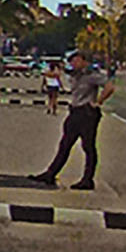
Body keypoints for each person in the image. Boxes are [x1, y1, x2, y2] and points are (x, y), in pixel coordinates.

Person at [32, 50, 112, 190]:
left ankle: (88, 180)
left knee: (88, 147)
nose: (73, 64)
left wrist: (98, 102)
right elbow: (60, 74)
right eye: (71, 61)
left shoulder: (92, 75)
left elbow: (110, 87)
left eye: (75, 60)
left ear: (83, 60)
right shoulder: (76, 75)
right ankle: (50, 174)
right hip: (75, 112)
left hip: (87, 113)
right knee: (65, 144)